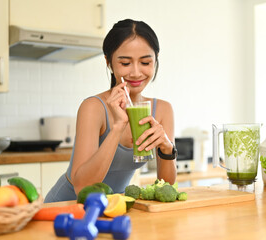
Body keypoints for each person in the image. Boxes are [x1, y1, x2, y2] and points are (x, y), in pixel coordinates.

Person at [44, 19, 177, 203]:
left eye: (145, 62)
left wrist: (167, 149)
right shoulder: (93, 107)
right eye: (125, 63)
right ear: (108, 62)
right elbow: (82, 187)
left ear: (156, 59)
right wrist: (117, 127)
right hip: (67, 205)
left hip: (114, 207)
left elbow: (166, 188)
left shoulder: (162, 110)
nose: (136, 72)